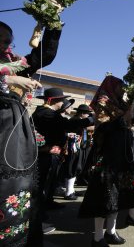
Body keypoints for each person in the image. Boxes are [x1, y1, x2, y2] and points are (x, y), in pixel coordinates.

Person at [0, 20, 62, 246]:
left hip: (15, 131)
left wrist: (53, 22)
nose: (5, 46)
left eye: (7, 41)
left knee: (20, 182)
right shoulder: (9, 72)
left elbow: (42, 55)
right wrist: (7, 79)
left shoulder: (13, 63)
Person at [79, 75, 134, 247]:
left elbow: (132, 123)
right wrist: (120, 119)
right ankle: (98, 237)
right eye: (120, 85)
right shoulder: (103, 101)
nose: (123, 88)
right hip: (108, 153)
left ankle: (111, 231)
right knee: (104, 196)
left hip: (122, 154)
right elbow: (103, 126)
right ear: (112, 85)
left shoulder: (121, 103)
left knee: (118, 195)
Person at [31, 88, 94, 243]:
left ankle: (46, 206)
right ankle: (36, 222)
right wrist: (91, 120)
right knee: (41, 188)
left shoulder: (48, 113)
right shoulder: (46, 113)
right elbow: (68, 125)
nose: (63, 103)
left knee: (48, 184)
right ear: (52, 100)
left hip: (52, 153)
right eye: (61, 100)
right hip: (46, 154)